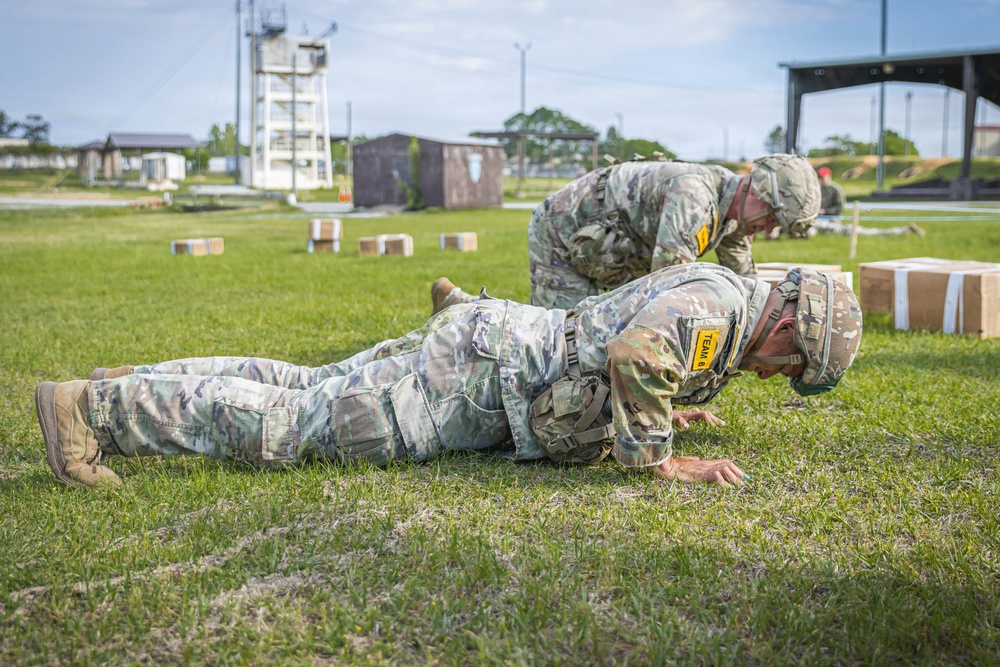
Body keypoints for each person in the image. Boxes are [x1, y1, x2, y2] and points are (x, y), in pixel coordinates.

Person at [35, 264, 862, 490]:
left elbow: (640, 346)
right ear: (789, 330)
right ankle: (93, 410)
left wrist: (668, 414)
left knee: (307, 382)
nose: (771, 374)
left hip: (486, 339)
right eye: (787, 368)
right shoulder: (722, 306)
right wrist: (655, 455)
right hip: (481, 375)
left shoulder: (727, 294)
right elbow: (637, 354)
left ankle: (133, 379)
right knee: (304, 428)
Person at [433, 154, 821, 313]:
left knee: (574, 332)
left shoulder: (734, 217)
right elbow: (671, 290)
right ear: (755, 190)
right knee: (555, 338)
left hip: (608, 248)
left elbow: (746, 288)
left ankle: (461, 304)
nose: (769, 228)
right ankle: (465, 310)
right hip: (563, 233)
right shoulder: (695, 198)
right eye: (772, 217)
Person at [810, 166, 924, 238]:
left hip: (832, 220)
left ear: (829, 177)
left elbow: (839, 208)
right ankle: (901, 231)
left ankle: (900, 231)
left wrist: (825, 211)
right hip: (820, 220)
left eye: (823, 177)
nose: (821, 180)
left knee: (860, 232)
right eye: (819, 177)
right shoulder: (818, 189)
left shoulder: (836, 190)